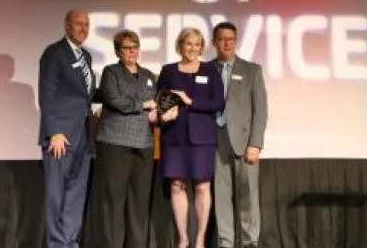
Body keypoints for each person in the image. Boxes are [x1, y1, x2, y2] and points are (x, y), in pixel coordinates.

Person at [157, 27, 225, 248]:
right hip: (174, 137)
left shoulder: (210, 70)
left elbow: (218, 103)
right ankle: (183, 239)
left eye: (197, 44)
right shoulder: (168, 71)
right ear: (179, 45)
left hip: (202, 139)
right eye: (188, 43)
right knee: (177, 186)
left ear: (202, 47)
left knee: (202, 187)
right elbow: (159, 101)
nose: (192, 48)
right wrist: (163, 113)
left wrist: (190, 101)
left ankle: (200, 239)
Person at [92, 29, 159, 248]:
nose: (132, 51)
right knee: (114, 199)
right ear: (118, 51)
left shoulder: (149, 75)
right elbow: (113, 99)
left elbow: (156, 103)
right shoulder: (111, 72)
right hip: (115, 143)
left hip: (144, 143)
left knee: (140, 201)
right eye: (127, 47)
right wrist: (143, 105)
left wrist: (160, 111)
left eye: (135, 46)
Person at [38, 9, 96, 248]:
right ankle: (56, 242)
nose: (84, 28)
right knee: (56, 192)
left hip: (83, 133)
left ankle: (70, 240)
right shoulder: (54, 53)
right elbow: (46, 95)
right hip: (60, 136)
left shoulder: (87, 57)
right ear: (67, 26)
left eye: (87, 24)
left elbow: (85, 95)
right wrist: (54, 132)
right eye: (79, 24)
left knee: (76, 192)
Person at [209, 21, 268, 248]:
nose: (226, 43)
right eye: (222, 39)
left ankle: (249, 241)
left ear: (236, 41)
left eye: (231, 39)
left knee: (247, 196)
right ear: (214, 42)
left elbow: (261, 110)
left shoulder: (252, 70)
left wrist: (255, 143)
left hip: (244, 142)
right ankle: (225, 241)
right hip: (215, 140)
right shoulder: (206, 69)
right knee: (221, 196)